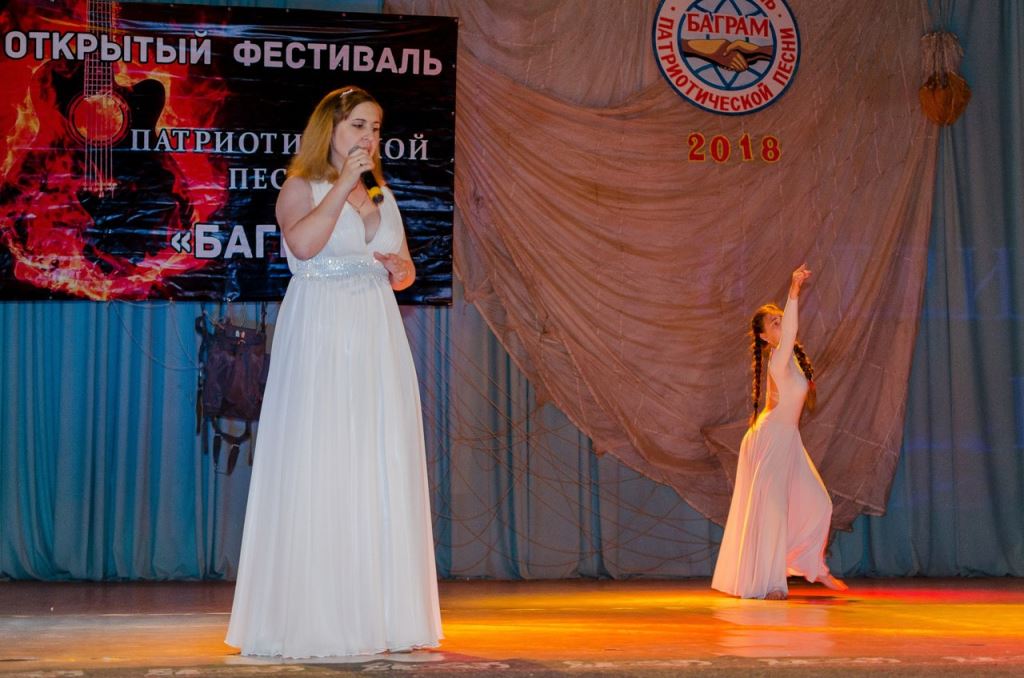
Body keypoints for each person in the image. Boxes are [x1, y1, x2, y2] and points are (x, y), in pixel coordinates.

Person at [225, 86, 443, 657]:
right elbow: (303, 246)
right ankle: (316, 614)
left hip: (375, 332)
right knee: (322, 455)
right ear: (331, 129)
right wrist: (344, 184)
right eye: (359, 126)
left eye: (376, 128)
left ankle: (383, 615)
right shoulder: (301, 186)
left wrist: (399, 269)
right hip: (321, 329)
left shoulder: (382, 194)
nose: (369, 137)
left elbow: (405, 270)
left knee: (376, 456)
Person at [711, 264, 847, 600]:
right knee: (772, 511)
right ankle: (771, 583)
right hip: (771, 439)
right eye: (774, 322)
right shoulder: (778, 359)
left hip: (786, 439)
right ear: (763, 336)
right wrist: (794, 291)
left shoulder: (791, 361)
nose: (779, 323)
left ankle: (813, 567)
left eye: (779, 318)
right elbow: (792, 329)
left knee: (819, 503)